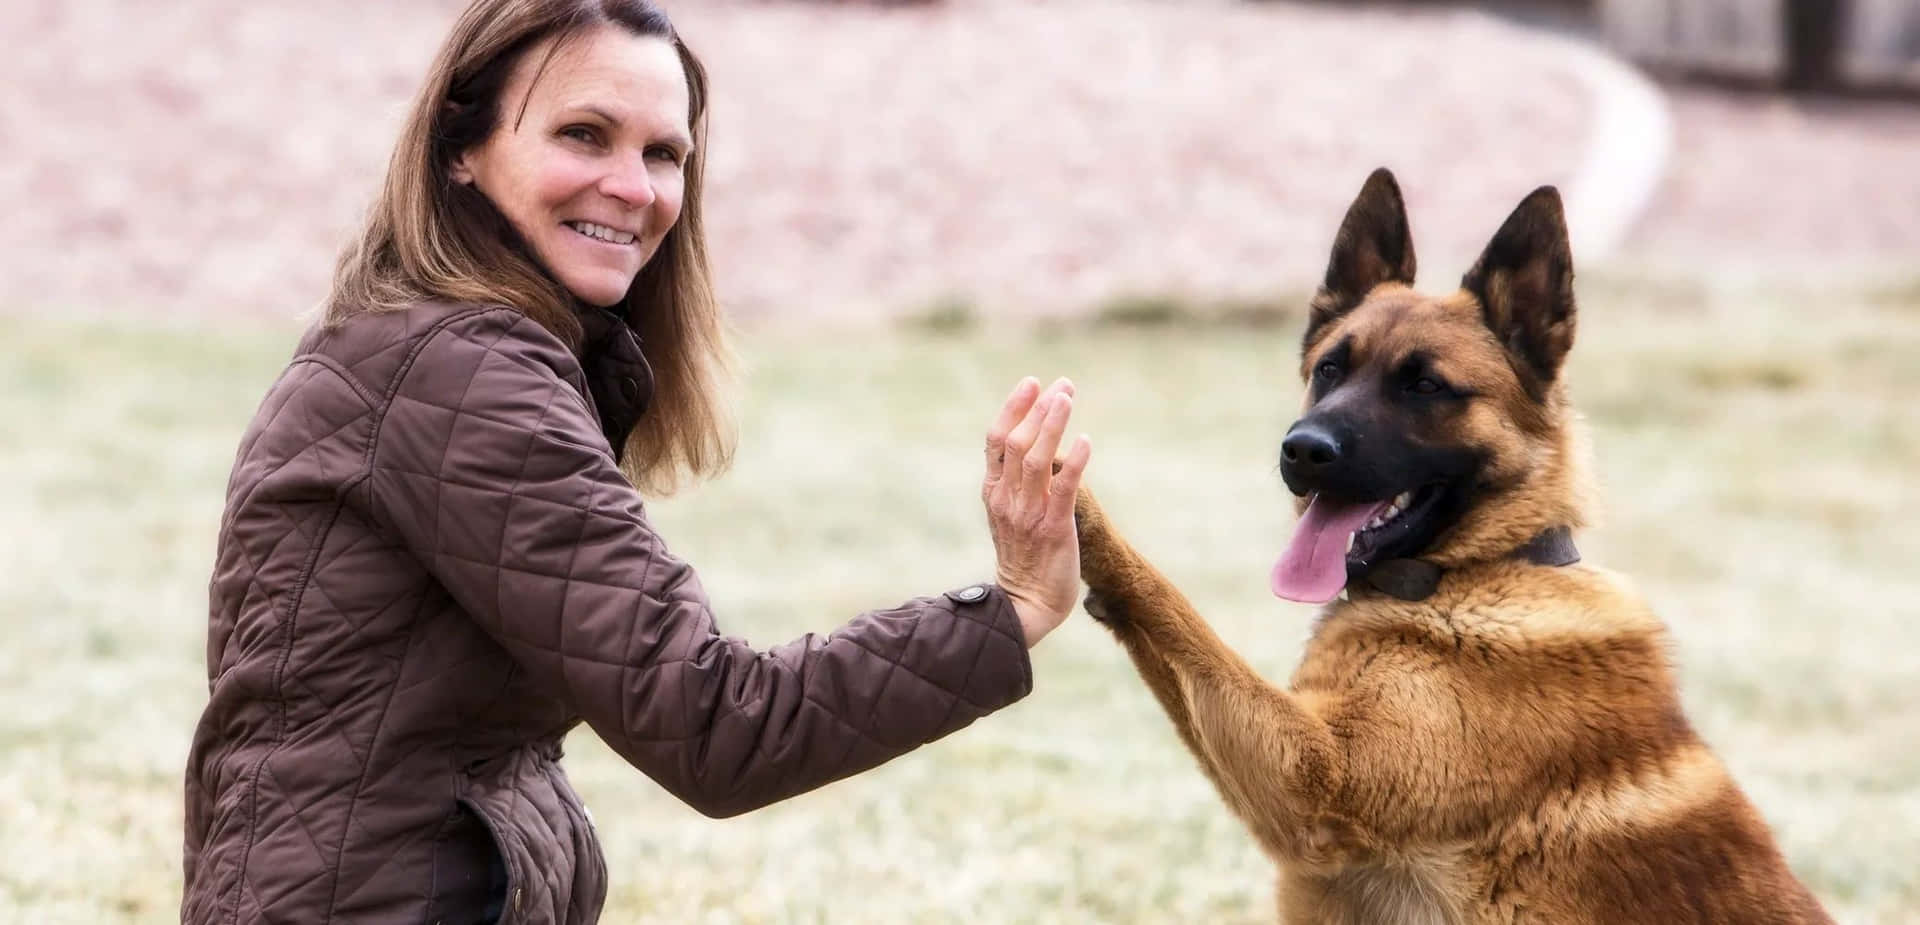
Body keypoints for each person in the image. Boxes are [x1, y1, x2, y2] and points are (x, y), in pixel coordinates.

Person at [179, 2, 1091, 922]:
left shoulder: (428, 348)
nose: (633, 186)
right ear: (460, 147)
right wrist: (1010, 610)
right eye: (584, 134)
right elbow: (718, 724)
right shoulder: (458, 374)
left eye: (664, 154)